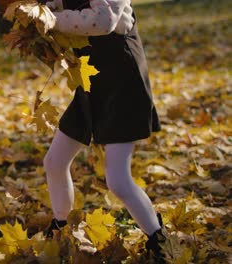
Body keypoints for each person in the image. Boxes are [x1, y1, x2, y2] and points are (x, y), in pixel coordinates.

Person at [43, 0, 166, 262]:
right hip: (91, 83)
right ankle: (61, 229)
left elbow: (104, 20)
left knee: (118, 181)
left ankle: (160, 240)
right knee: (54, 162)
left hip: (122, 83)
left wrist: (53, 19)